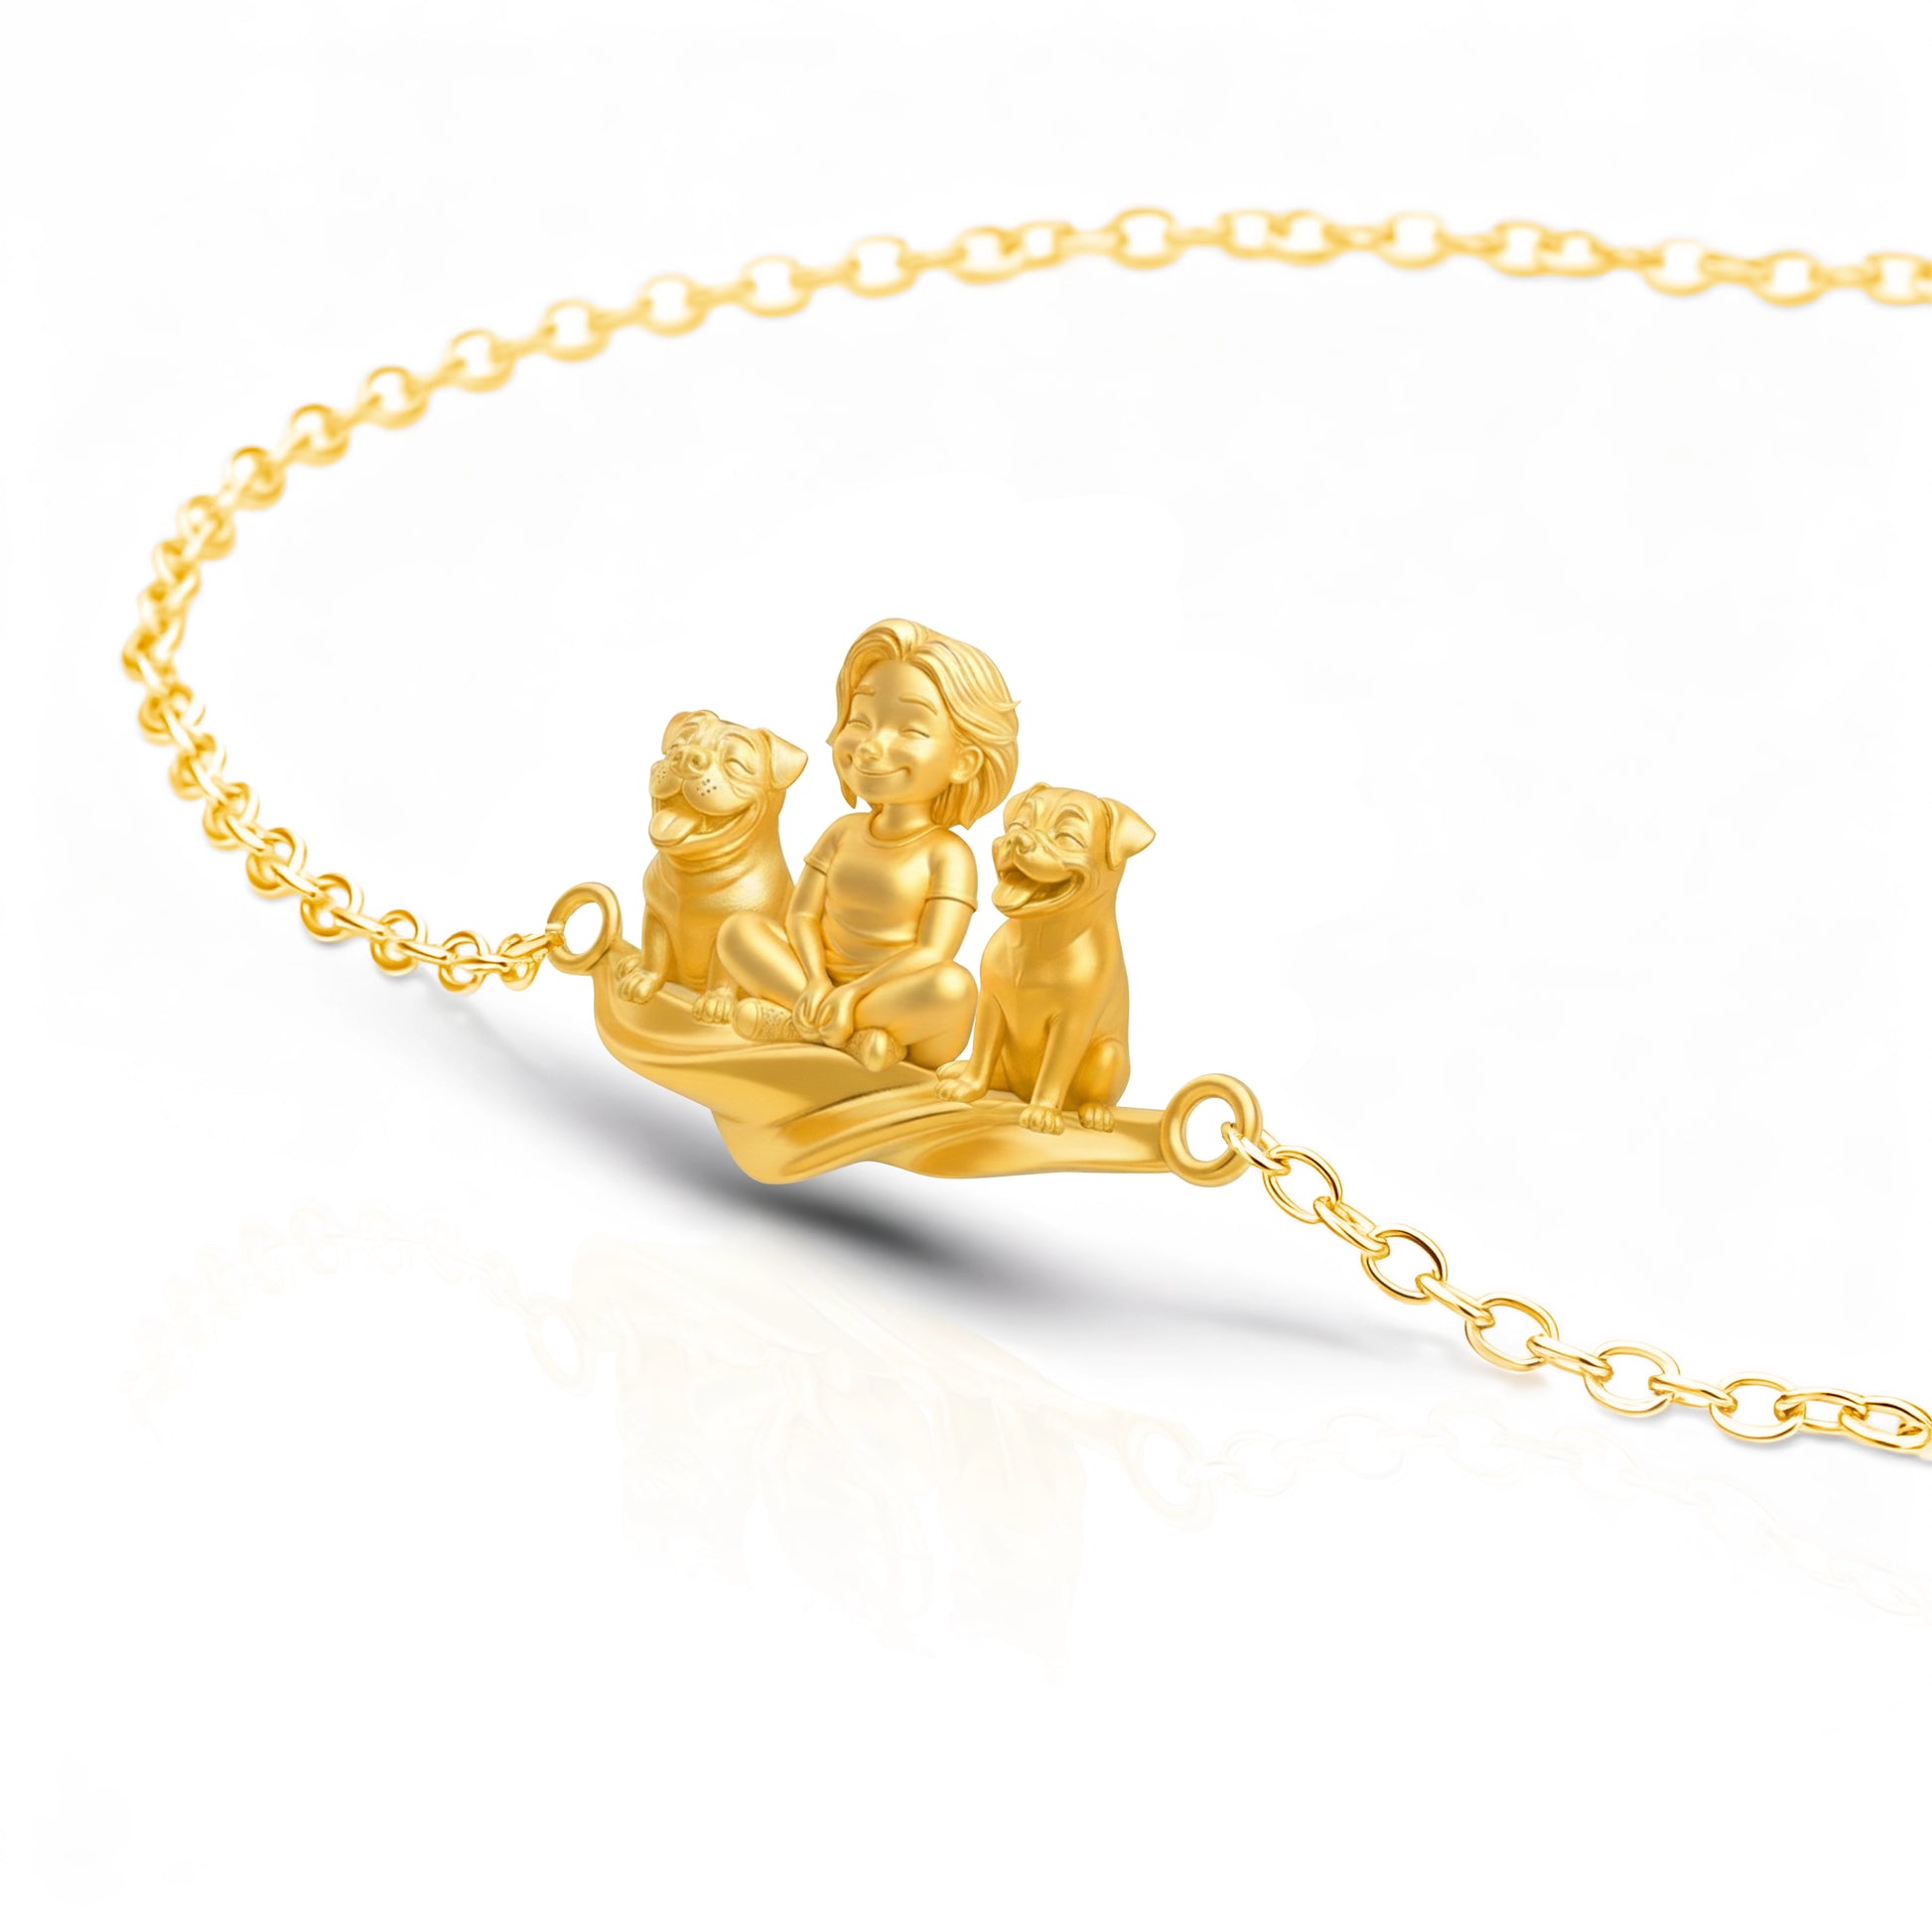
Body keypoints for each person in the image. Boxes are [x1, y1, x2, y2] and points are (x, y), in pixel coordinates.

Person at [716, 617, 1019, 1072]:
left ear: (964, 761)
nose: (872, 745)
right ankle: (853, 1037)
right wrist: (816, 981)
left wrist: (854, 995)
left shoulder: (948, 854)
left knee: (953, 988)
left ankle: (801, 1025)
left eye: (910, 730)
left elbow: (932, 952)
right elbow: (800, 915)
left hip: (893, 996)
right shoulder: (843, 832)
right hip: (812, 983)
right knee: (740, 932)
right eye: (861, 720)